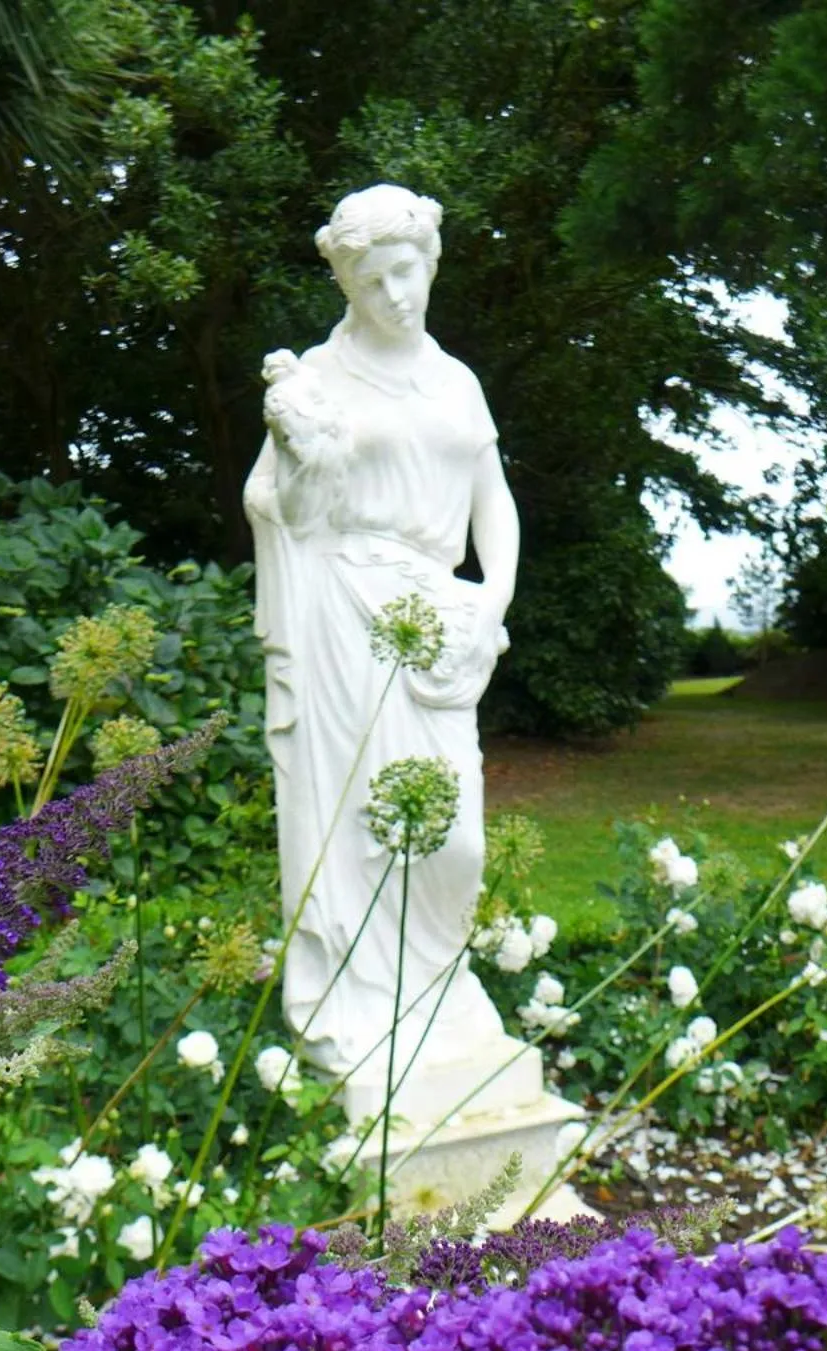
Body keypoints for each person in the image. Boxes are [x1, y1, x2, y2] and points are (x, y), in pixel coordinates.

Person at [244, 184, 521, 1107]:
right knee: (359, 821)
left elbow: (494, 504)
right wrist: (297, 449)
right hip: (343, 612)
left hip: (440, 615)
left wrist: (493, 604)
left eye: (405, 272)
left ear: (431, 262)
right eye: (371, 283)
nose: (394, 295)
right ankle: (365, 1011)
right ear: (348, 285)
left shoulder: (457, 382)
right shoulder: (316, 380)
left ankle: (439, 990)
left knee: (457, 842)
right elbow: (286, 508)